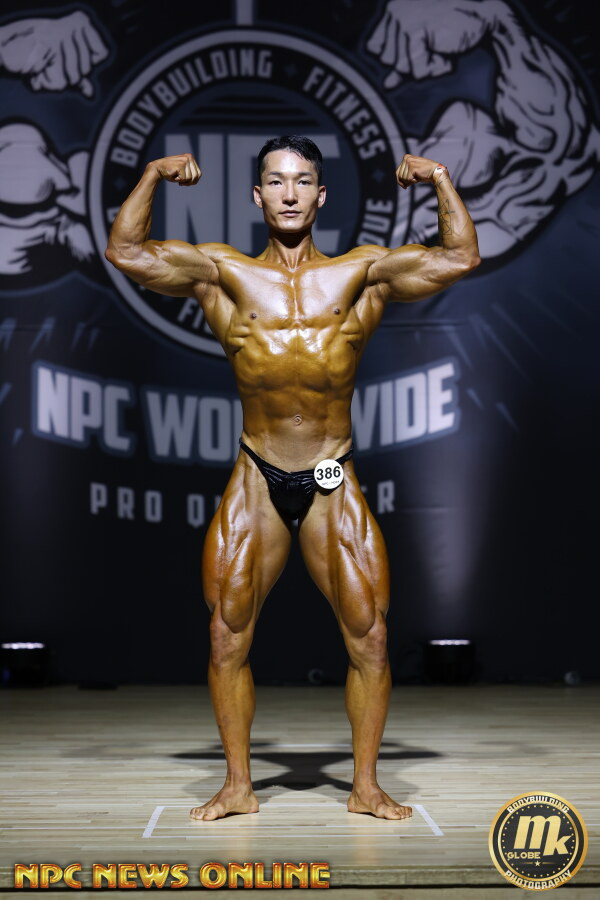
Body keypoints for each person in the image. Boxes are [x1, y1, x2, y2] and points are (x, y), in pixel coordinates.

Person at [105, 135, 480, 821]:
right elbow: (125, 251)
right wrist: (154, 172)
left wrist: (439, 178)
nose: (288, 193)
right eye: (275, 181)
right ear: (257, 195)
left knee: (370, 636)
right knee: (227, 633)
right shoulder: (222, 274)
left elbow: (460, 257)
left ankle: (365, 786)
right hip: (259, 469)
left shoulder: (361, 273)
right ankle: (238, 786)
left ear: (321, 195)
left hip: (331, 469)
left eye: (302, 181)